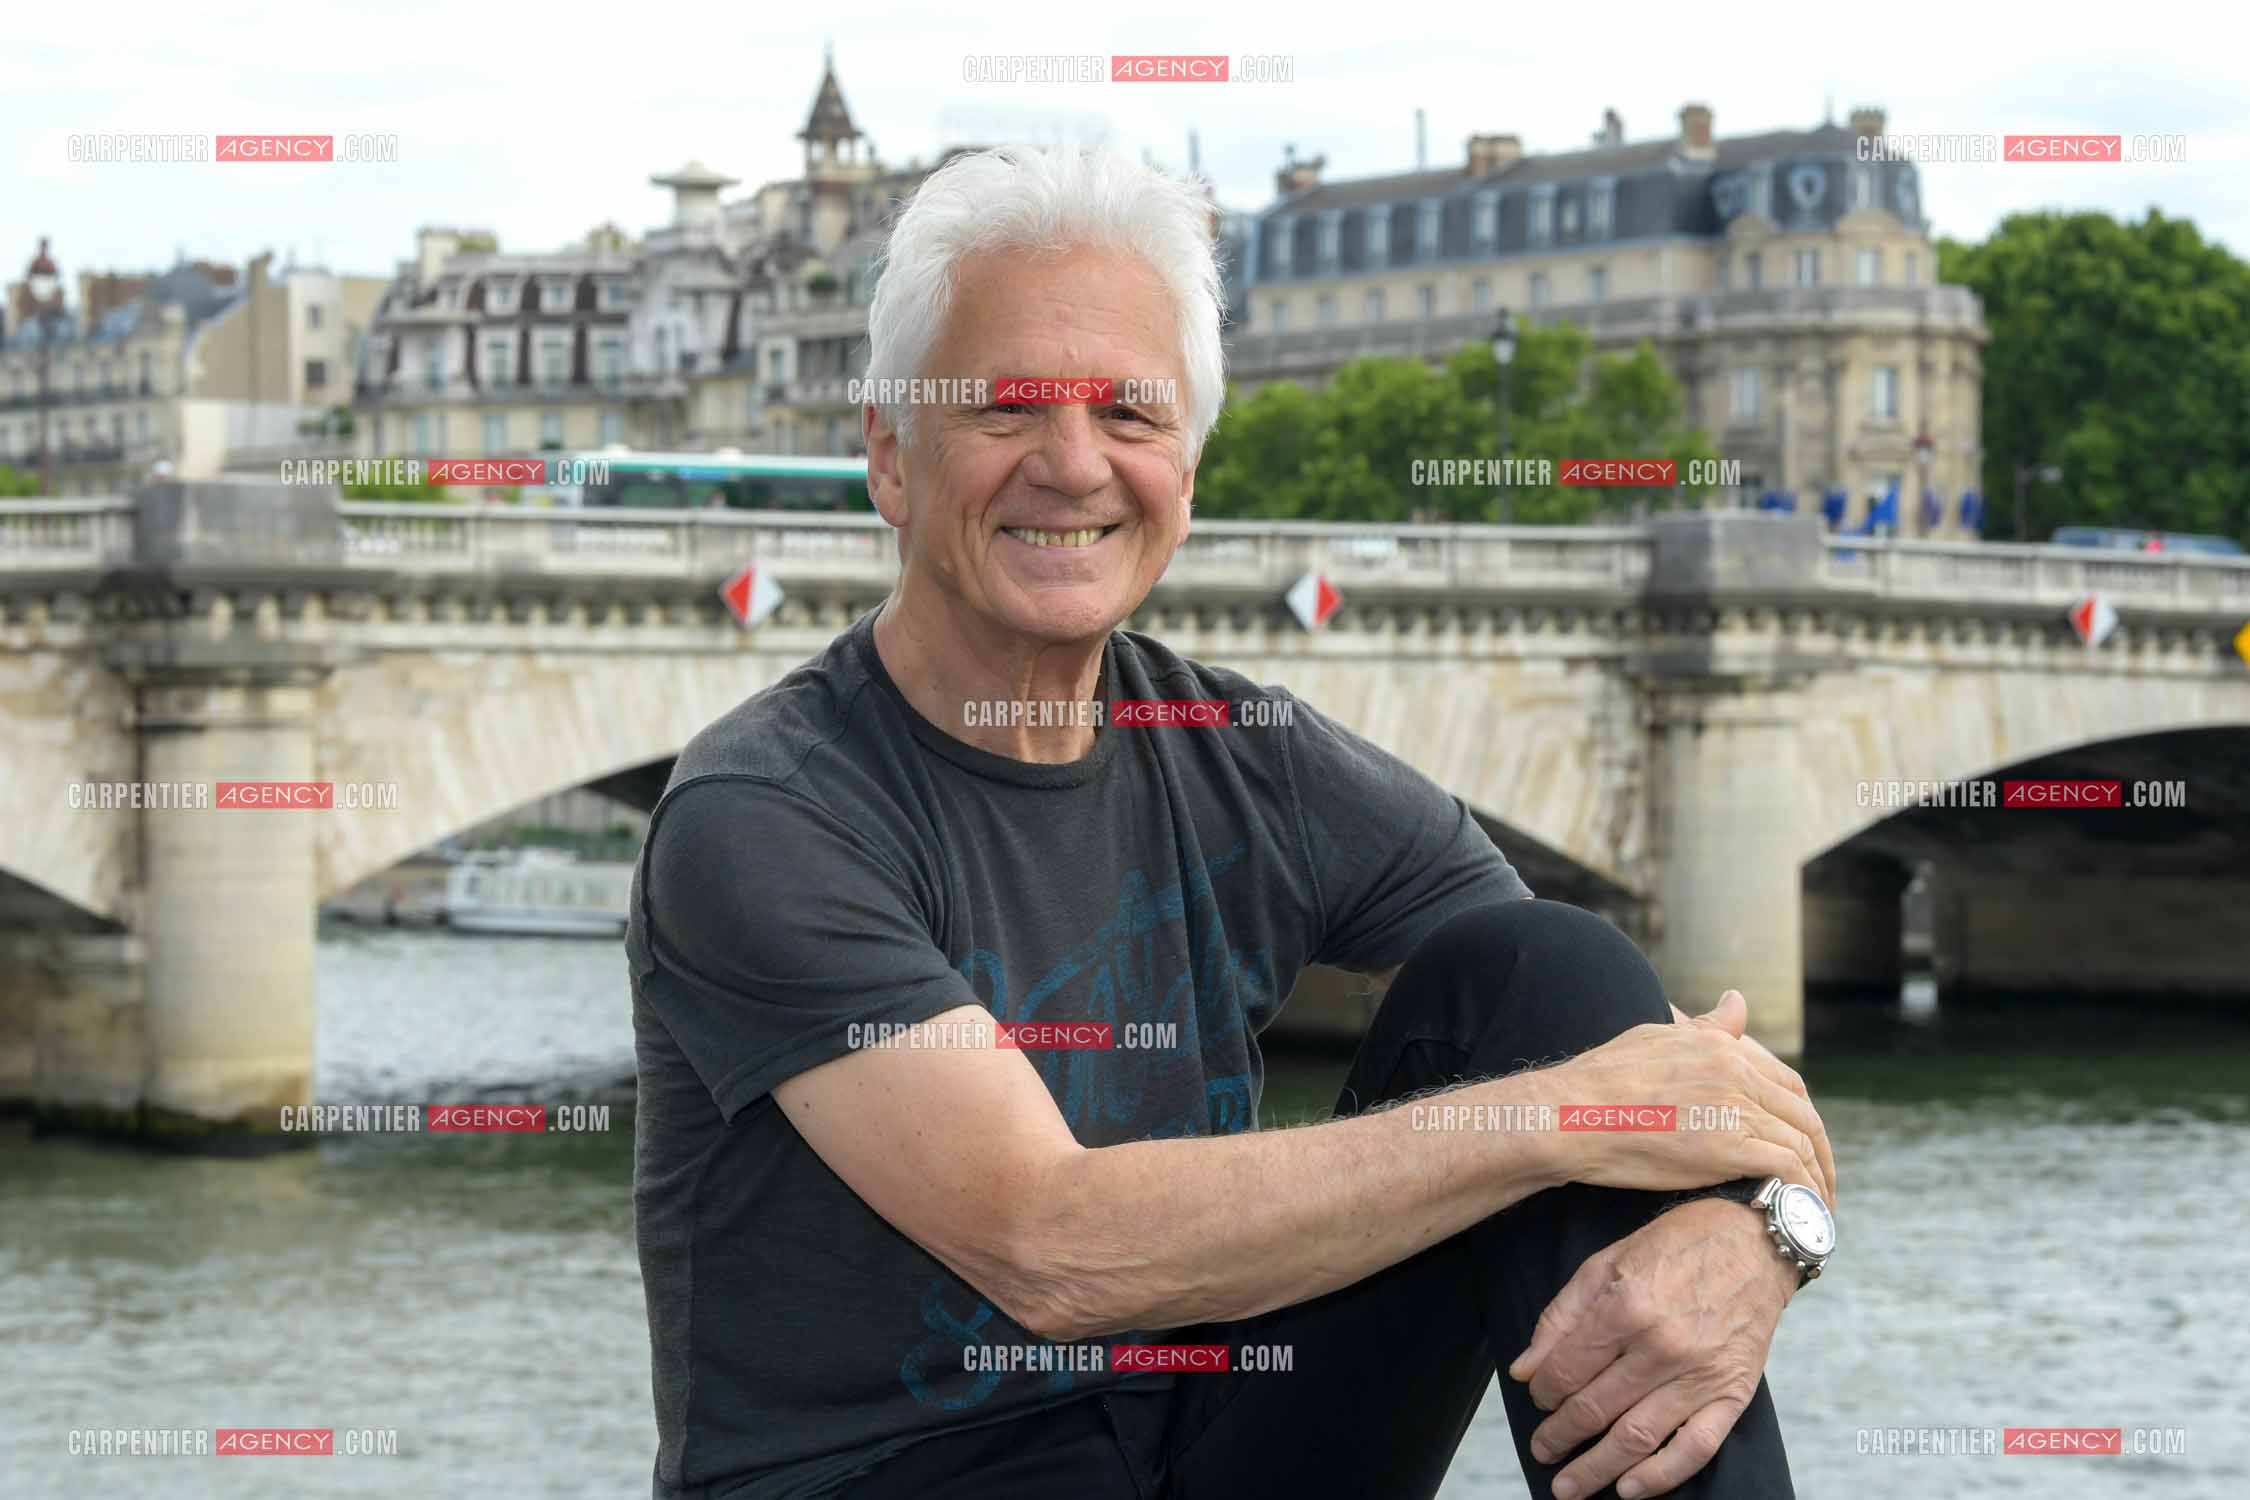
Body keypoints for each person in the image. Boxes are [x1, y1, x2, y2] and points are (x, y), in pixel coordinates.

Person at [628, 143, 1836, 1500]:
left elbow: (1649, 1060)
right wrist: (1564, 1119)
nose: (1073, 463)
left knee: (1549, 969)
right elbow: (1048, 1245)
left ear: (1186, 477)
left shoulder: (1237, 756)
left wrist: (1756, 1234)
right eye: (1009, 406)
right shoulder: (766, 813)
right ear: (892, 456)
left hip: (1208, 1442)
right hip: (902, 1481)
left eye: (1131, 417)